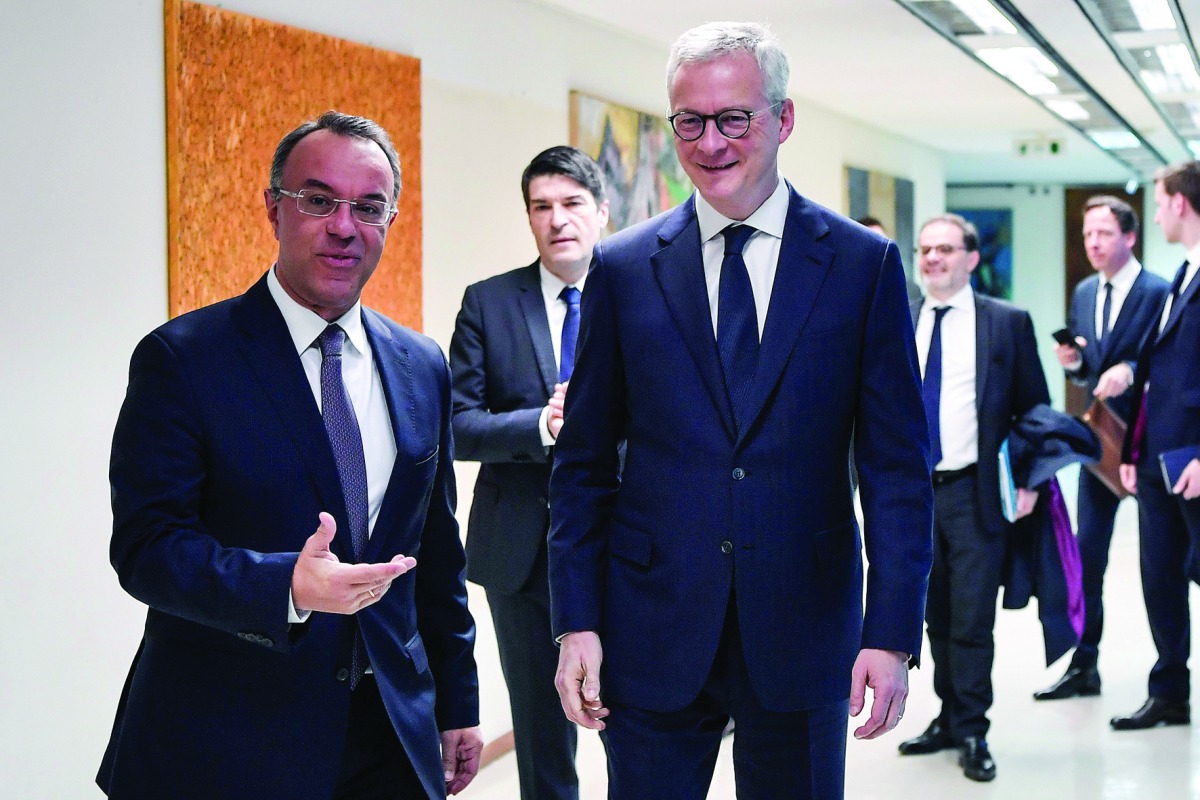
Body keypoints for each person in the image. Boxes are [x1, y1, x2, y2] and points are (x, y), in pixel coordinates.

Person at [548, 21, 933, 799]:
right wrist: (574, 621)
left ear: (782, 120)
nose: (711, 142)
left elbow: (896, 469)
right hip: (651, 629)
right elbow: (583, 464)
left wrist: (891, 633)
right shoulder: (624, 268)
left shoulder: (861, 266)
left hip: (805, 626)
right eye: (690, 121)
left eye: (735, 119)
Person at [97, 111, 482, 800]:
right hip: (229, 739)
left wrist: (457, 704)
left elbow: (436, 554)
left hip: (389, 733)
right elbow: (147, 547)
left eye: (368, 207)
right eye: (318, 199)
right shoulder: (184, 360)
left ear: (390, 221)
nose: (343, 225)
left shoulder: (422, 365)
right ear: (274, 208)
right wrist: (287, 587)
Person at [449, 145, 609, 800]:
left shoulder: (643, 295)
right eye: (541, 206)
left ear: (600, 212)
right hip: (520, 552)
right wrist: (541, 426)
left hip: (626, 543)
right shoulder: (487, 303)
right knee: (542, 726)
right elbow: (456, 424)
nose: (557, 219)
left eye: (571, 204)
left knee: (644, 716)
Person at [897, 214, 1049, 782]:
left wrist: (1029, 482)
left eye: (945, 249)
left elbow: (1034, 410)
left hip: (973, 494)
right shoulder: (899, 317)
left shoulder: (1005, 324)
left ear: (971, 258)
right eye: (925, 249)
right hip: (912, 500)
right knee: (932, 617)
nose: (932, 258)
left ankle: (974, 729)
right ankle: (946, 715)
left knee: (971, 619)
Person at [1034, 196, 1168, 701]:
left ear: (1129, 238)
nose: (1093, 243)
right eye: (1088, 234)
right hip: (1100, 447)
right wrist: (1074, 364)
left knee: (1158, 566)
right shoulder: (1086, 291)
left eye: (1104, 234)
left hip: (1151, 444)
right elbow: (1089, 373)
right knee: (1088, 557)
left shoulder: (1159, 292)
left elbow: (1168, 363)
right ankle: (1084, 664)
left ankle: (1168, 680)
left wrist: (1132, 371)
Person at [1112, 160, 1200, 730]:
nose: (1158, 210)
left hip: (1192, 458)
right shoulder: (1181, 275)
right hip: (1155, 460)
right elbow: (1156, 374)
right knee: (1160, 575)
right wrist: (1129, 453)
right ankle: (1170, 691)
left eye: (1161, 200)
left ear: (1181, 204)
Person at [856, 214, 922, 305]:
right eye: (873, 244)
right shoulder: (846, 288)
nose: (881, 249)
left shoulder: (908, 289)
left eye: (884, 242)